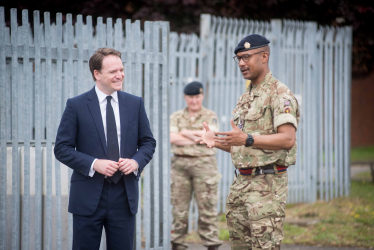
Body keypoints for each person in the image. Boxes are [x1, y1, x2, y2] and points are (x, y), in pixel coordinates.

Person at [195, 34, 300, 250]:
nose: (242, 63)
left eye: (246, 57)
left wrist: (249, 139)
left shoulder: (280, 94)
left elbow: (288, 139)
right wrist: (215, 141)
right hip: (241, 184)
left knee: (265, 247)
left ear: (264, 56)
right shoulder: (246, 97)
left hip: (267, 186)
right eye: (238, 59)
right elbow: (242, 144)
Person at [54, 48, 156, 249]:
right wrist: (94, 164)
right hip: (87, 195)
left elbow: (148, 142)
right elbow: (62, 148)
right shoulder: (77, 105)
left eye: (121, 69)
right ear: (97, 74)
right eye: (113, 71)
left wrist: (135, 161)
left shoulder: (135, 103)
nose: (120, 75)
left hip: (124, 195)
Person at [170, 81, 223, 250]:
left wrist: (184, 132)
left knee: (207, 207)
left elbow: (211, 136)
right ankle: (178, 244)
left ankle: (211, 244)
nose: (194, 101)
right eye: (190, 97)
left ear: (202, 96)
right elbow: (172, 138)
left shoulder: (210, 115)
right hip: (180, 165)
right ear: (185, 97)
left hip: (205, 166)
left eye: (197, 97)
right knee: (179, 208)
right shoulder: (176, 116)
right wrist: (198, 138)